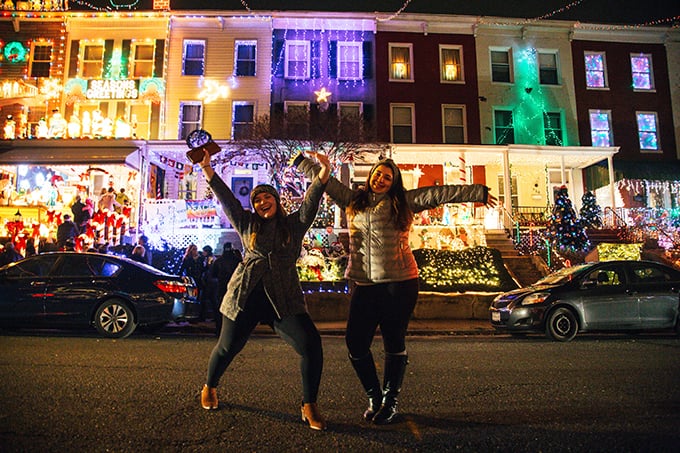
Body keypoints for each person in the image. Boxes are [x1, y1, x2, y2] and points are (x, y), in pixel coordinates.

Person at [294, 154, 496, 425]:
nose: (381, 179)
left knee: (394, 341)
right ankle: (375, 397)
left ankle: (390, 402)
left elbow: (438, 194)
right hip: (365, 284)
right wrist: (299, 161)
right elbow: (326, 182)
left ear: (393, 182)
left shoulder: (403, 202)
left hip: (399, 283)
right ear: (371, 176)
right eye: (378, 174)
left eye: (388, 177)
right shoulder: (353, 200)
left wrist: (478, 192)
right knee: (355, 343)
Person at [198, 148, 330, 431]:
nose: (261, 202)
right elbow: (227, 199)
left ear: (276, 201)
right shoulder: (247, 223)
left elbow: (311, 201)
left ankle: (309, 405)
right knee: (227, 347)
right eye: (256, 199)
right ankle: (210, 385)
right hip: (246, 295)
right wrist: (208, 170)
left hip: (283, 298)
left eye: (266, 197)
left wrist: (322, 173)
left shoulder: (293, 225)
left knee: (311, 346)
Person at [208, 242, 243, 335]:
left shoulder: (219, 261)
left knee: (220, 309)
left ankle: (220, 330)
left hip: (222, 287)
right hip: (233, 287)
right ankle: (233, 331)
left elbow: (213, 274)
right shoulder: (237, 261)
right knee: (234, 309)